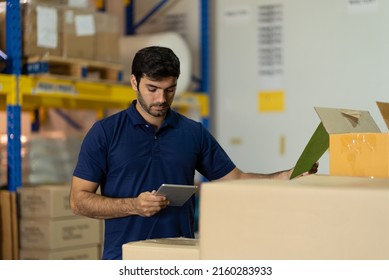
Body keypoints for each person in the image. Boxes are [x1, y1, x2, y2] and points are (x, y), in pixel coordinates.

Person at [70, 46, 318, 260]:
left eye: (170, 89)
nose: (161, 98)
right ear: (134, 82)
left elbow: (234, 180)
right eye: (153, 88)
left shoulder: (192, 132)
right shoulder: (105, 132)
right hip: (124, 260)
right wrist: (134, 205)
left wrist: (283, 177)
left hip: (180, 259)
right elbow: (78, 202)